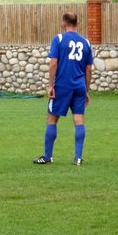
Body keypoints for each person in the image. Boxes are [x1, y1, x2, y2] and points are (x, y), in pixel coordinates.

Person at [33, 13, 93, 166]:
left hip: (62, 86)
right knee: (79, 120)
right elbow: (88, 69)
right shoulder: (85, 42)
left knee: (52, 119)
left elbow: (54, 63)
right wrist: (86, 90)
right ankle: (78, 157)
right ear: (77, 23)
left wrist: (50, 85)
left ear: (64, 22)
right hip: (79, 86)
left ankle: (47, 156)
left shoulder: (59, 39)